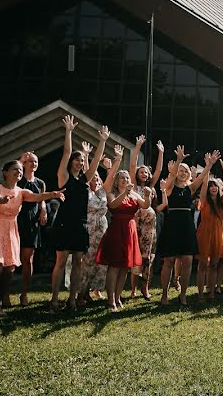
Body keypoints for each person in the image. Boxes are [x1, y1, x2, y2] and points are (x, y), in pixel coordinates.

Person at [0, 160, 64, 318]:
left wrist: (53, 194)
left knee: (9, 271)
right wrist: (2, 200)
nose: (19, 172)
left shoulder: (21, 191)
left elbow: (36, 196)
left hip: (11, 231)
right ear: (5, 172)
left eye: (20, 170)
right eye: (15, 169)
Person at [49, 115, 109, 313]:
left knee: (78, 264)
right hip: (64, 223)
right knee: (60, 262)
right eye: (77, 159)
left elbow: (96, 160)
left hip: (81, 225)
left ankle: (72, 300)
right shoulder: (63, 177)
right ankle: (55, 300)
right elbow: (66, 152)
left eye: (81, 160)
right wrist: (69, 131)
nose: (79, 162)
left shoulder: (85, 180)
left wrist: (102, 141)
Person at [96, 170, 152, 311]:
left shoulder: (134, 194)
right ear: (116, 181)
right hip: (116, 230)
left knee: (124, 268)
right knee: (114, 266)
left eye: (127, 177)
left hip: (130, 229)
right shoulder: (112, 193)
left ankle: (118, 297)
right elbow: (113, 205)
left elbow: (145, 205)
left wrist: (147, 195)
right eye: (121, 178)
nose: (125, 180)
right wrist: (125, 193)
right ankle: (110, 301)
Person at [157, 145, 201, 306]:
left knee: (187, 260)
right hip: (172, 224)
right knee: (168, 260)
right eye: (180, 170)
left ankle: (183, 294)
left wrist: (209, 165)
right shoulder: (169, 187)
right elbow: (171, 175)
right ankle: (164, 295)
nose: (182, 173)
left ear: (188, 174)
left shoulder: (190, 188)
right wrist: (179, 160)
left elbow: (201, 178)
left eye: (185, 171)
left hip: (187, 225)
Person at [77, 149, 122, 307]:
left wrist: (117, 159)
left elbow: (112, 175)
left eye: (97, 177)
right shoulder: (85, 189)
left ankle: (89, 290)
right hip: (88, 227)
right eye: (93, 177)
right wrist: (87, 156)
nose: (95, 179)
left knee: (99, 261)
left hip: (102, 228)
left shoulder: (103, 190)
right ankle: (80, 293)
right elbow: (89, 170)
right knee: (86, 261)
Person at [128, 136, 164, 300]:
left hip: (150, 227)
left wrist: (161, 153)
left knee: (148, 258)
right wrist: (137, 147)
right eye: (141, 172)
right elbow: (133, 164)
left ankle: (145, 287)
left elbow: (158, 171)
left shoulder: (151, 187)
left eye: (146, 172)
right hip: (136, 225)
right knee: (135, 256)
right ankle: (134, 288)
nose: (144, 174)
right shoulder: (133, 187)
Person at [195, 151, 223, 301]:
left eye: (215, 186)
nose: (213, 188)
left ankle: (211, 293)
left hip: (217, 235)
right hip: (204, 233)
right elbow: (203, 183)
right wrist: (209, 165)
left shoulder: (222, 203)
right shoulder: (204, 200)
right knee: (203, 264)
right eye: (211, 186)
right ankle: (201, 294)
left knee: (215, 264)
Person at [16, 151, 47, 306]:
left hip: (32, 221)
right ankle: (5, 295)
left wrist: (44, 210)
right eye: (30, 161)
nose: (33, 164)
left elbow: (41, 200)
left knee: (28, 259)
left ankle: (24, 293)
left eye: (35, 162)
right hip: (16, 219)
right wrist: (21, 159)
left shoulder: (40, 183)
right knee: (11, 260)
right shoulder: (18, 180)